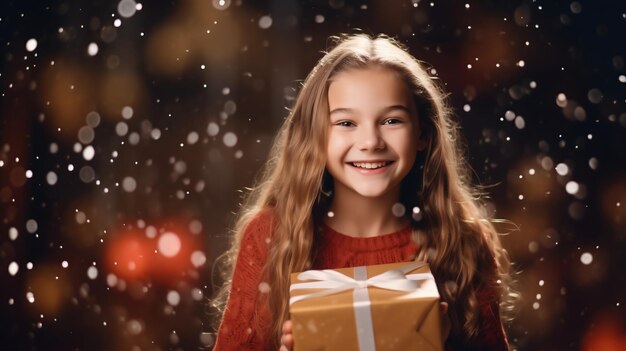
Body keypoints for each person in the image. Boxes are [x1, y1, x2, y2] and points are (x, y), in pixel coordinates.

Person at [211, 33, 516, 350]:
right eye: (345, 123)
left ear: (423, 133)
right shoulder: (270, 238)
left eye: (391, 120)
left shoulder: (463, 242)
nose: (371, 142)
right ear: (314, 135)